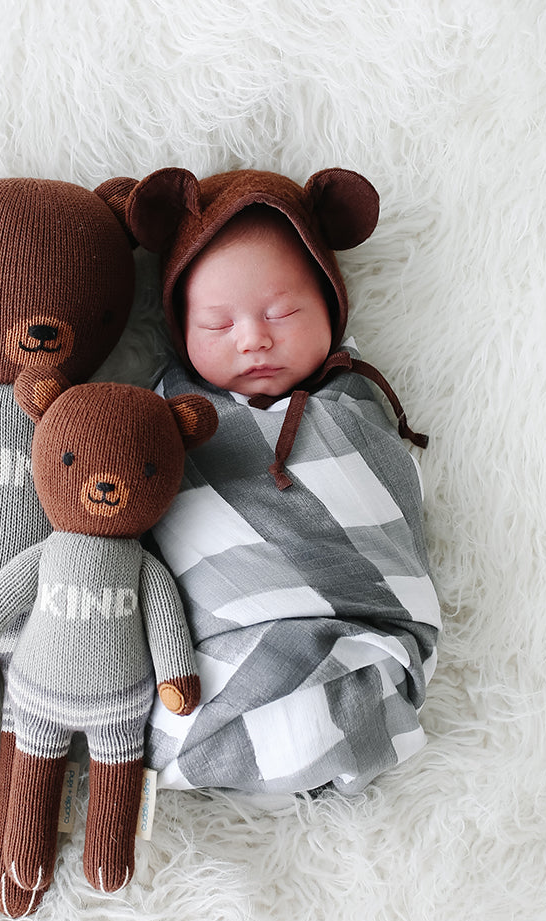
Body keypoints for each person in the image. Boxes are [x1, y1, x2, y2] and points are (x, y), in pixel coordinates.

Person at [126, 167, 441, 796]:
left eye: (283, 311)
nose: (254, 339)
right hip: (211, 655)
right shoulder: (162, 419)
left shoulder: (357, 410)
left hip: (360, 642)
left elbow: (389, 518)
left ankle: (337, 718)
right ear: (181, 330)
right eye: (219, 324)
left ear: (329, 304)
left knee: (357, 681)